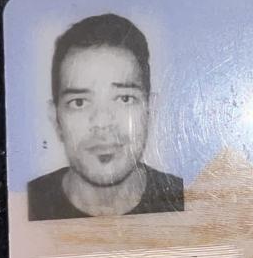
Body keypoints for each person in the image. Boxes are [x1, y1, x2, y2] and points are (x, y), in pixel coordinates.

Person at [27, 13, 184, 220]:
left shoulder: (186, 198)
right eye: (79, 102)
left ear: (150, 110)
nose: (102, 123)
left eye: (125, 98)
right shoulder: (23, 204)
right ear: (56, 119)